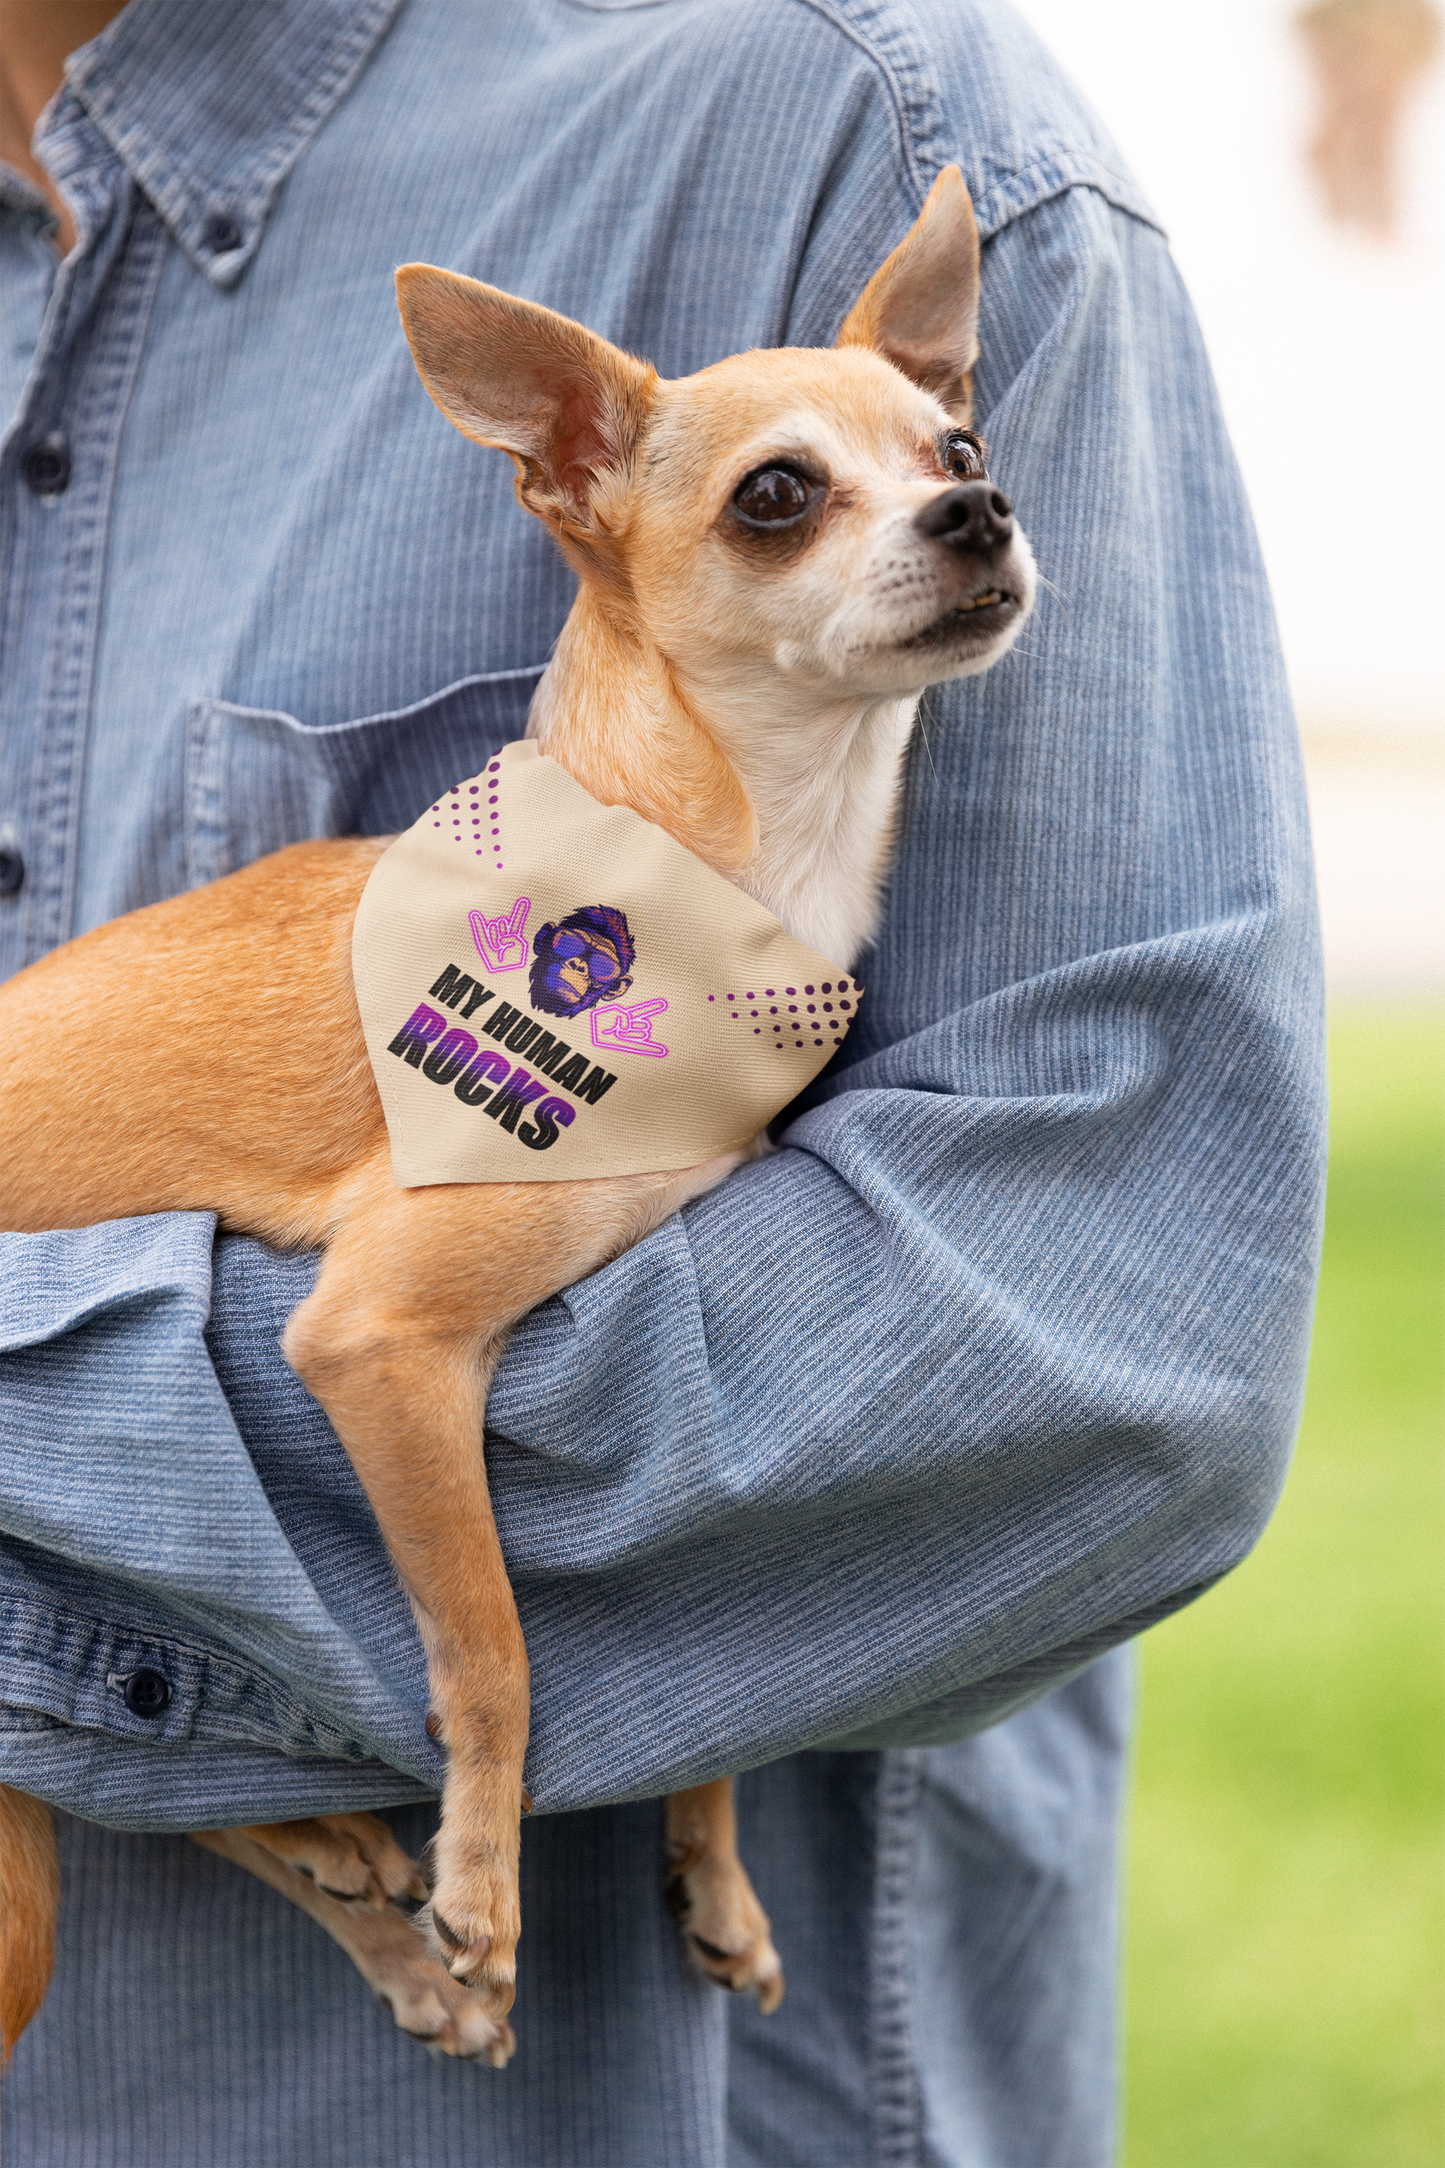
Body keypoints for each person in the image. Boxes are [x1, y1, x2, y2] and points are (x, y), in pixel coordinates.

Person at [0, 0, 1325, 2161]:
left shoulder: (856, 118)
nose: (949, 521)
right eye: (787, 503)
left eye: (949, 466)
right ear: (566, 476)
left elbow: (1101, 1349)